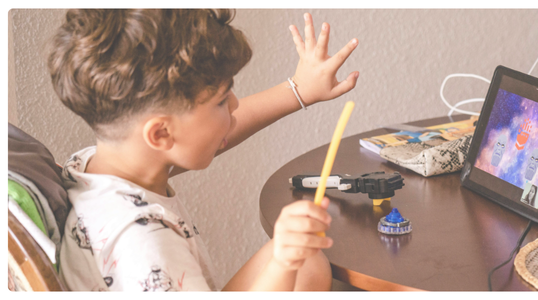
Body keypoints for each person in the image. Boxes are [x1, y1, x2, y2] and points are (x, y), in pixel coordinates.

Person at [48, 9, 359, 291]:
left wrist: (298, 90)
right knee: (297, 262)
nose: (235, 105)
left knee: (309, 262)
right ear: (161, 133)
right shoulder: (144, 245)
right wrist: (282, 265)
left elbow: (220, 132)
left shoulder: (101, 163)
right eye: (222, 100)